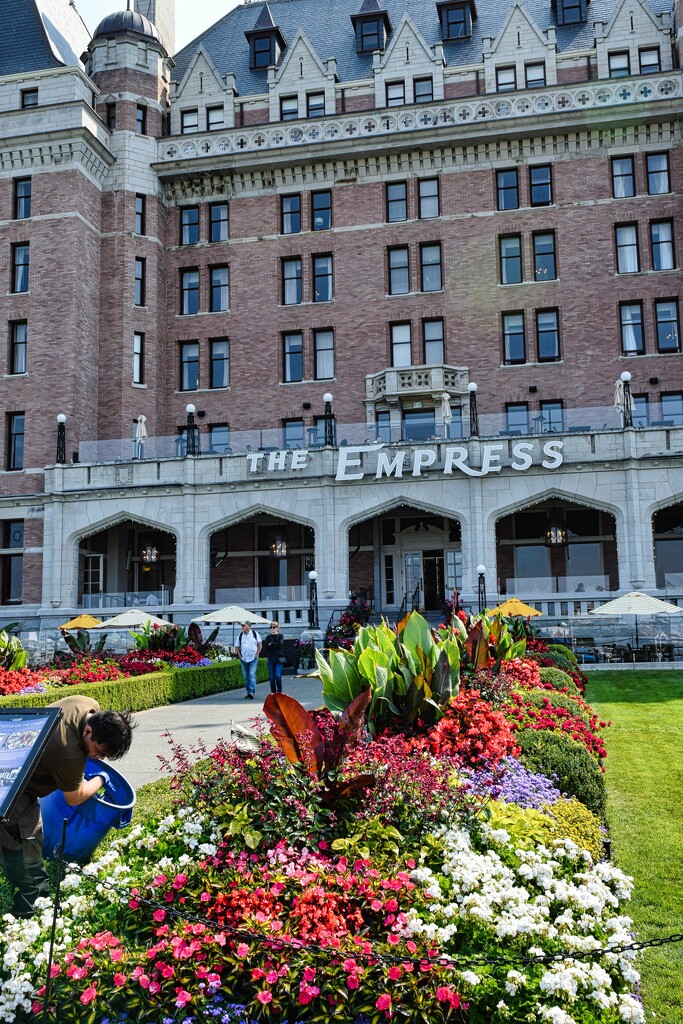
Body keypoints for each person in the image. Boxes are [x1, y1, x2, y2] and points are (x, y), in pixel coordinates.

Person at [0, 694, 135, 919]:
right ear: (88, 732)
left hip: (10, 752)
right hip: (13, 786)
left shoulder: (83, 704)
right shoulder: (68, 754)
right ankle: (31, 910)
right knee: (26, 845)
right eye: (100, 752)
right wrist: (100, 779)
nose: (99, 758)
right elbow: (74, 797)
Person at [236, 622, 262, 699]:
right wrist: (240, 656)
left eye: (243, 625)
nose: (242, 627)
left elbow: (260, 645)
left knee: (251, 674)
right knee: (245, 676)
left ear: (249, 626)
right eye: (241, 626)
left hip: (253, 658)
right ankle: (248, 691)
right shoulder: (240, 635)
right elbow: (237, 646)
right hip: (244, 659)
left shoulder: (254, 633)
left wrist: (257, 654)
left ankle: (251, 692)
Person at [262, 621, 285, 694]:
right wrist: (274, 644)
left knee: (277, 676)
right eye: (271, 627)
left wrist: (271, 644)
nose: (272, 629)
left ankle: (279, 691)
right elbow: (266, 646)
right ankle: (273, 692)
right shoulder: (268, 637)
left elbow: (280, 644)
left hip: (279, 659)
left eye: (274, 627)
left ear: (277, 628)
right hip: (271, 659)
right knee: (271, 678)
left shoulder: (280, 636)